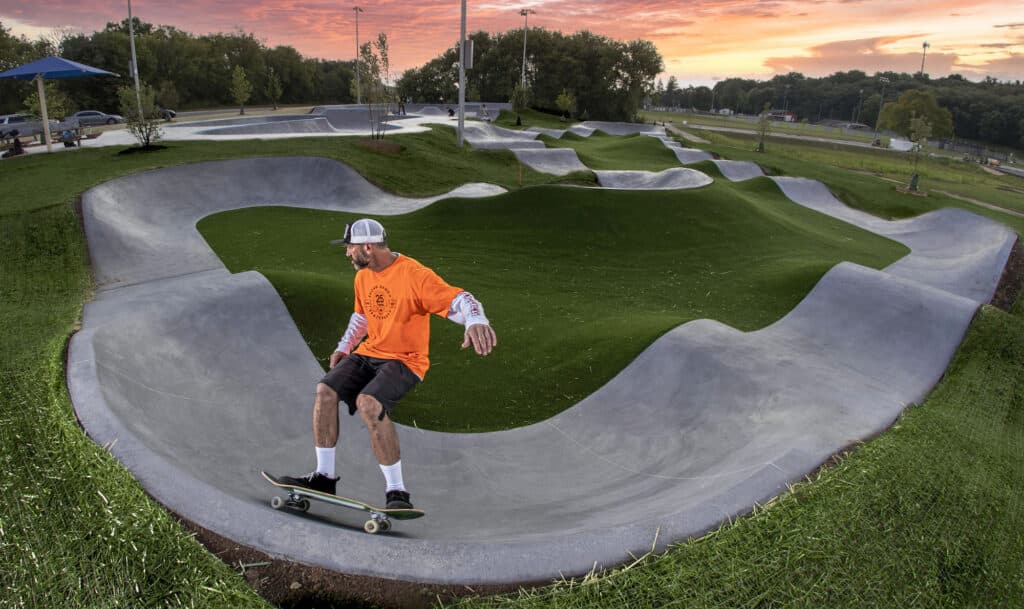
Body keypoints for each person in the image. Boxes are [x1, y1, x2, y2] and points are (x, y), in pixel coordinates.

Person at [280, 218, 497, 509]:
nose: (347, 253)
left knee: (369, 402)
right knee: (325, 391)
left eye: (350, 248)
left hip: (405, 360)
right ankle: (324, 477)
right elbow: (362, 316)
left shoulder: (414, 275)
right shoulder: (363, 275)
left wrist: (475, 319)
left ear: (368, 247)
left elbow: (460, 299)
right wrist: (344, 347)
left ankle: (397, 493)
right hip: (369, 352)